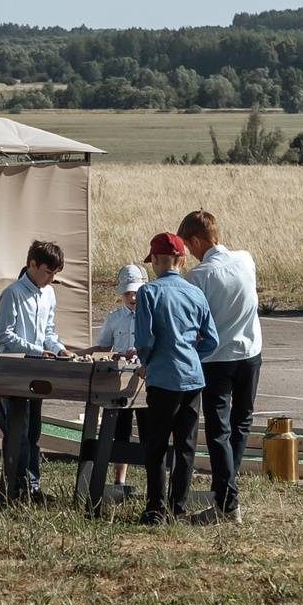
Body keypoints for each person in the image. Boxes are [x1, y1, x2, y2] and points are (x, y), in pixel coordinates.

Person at [179, 210, 262, 524]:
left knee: (218, 429)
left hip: (217, 358)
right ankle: (226, 493)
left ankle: (226, 501)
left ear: (197, 240)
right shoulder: (245, 259)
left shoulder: (199, 275)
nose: (189, 253)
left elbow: (194, 320)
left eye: (189, 246)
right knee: (241, 422)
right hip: (250, 351)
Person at [128, 232, 216, 526]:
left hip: (163, 377)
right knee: (186, 446)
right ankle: (178, 508)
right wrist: (191, 354)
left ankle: (155, 509)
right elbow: (212, 339)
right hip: (192, 377)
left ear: (154, 260)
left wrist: (149, 361)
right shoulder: (195, 293)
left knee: (156, 445)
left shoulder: (149, 292)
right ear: (183, 259)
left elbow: (144, 339)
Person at [0, 238, 68, 505]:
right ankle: (13, 489)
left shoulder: (49, 294)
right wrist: (37, 350)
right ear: (32, 264)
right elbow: (5, 335)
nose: (51, 278)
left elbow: (48, 331)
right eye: (48, 272)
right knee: (16, 432)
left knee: (33, 431)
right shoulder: (12, 293)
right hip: (12, 370)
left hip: (37, 370)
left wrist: (59, 349)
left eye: (55, 273)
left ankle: (31, 487)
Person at [88, 263, 149, 507]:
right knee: (119, 432)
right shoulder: (114, 318)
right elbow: (103, 347)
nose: (132, 298)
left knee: (148, 433)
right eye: (127, 293)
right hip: (119, 384)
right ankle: (119, 482)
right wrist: (76, 352)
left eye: (136, 292)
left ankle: (153, 482)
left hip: (146, 383)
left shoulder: (152, 316)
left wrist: (141, 350)